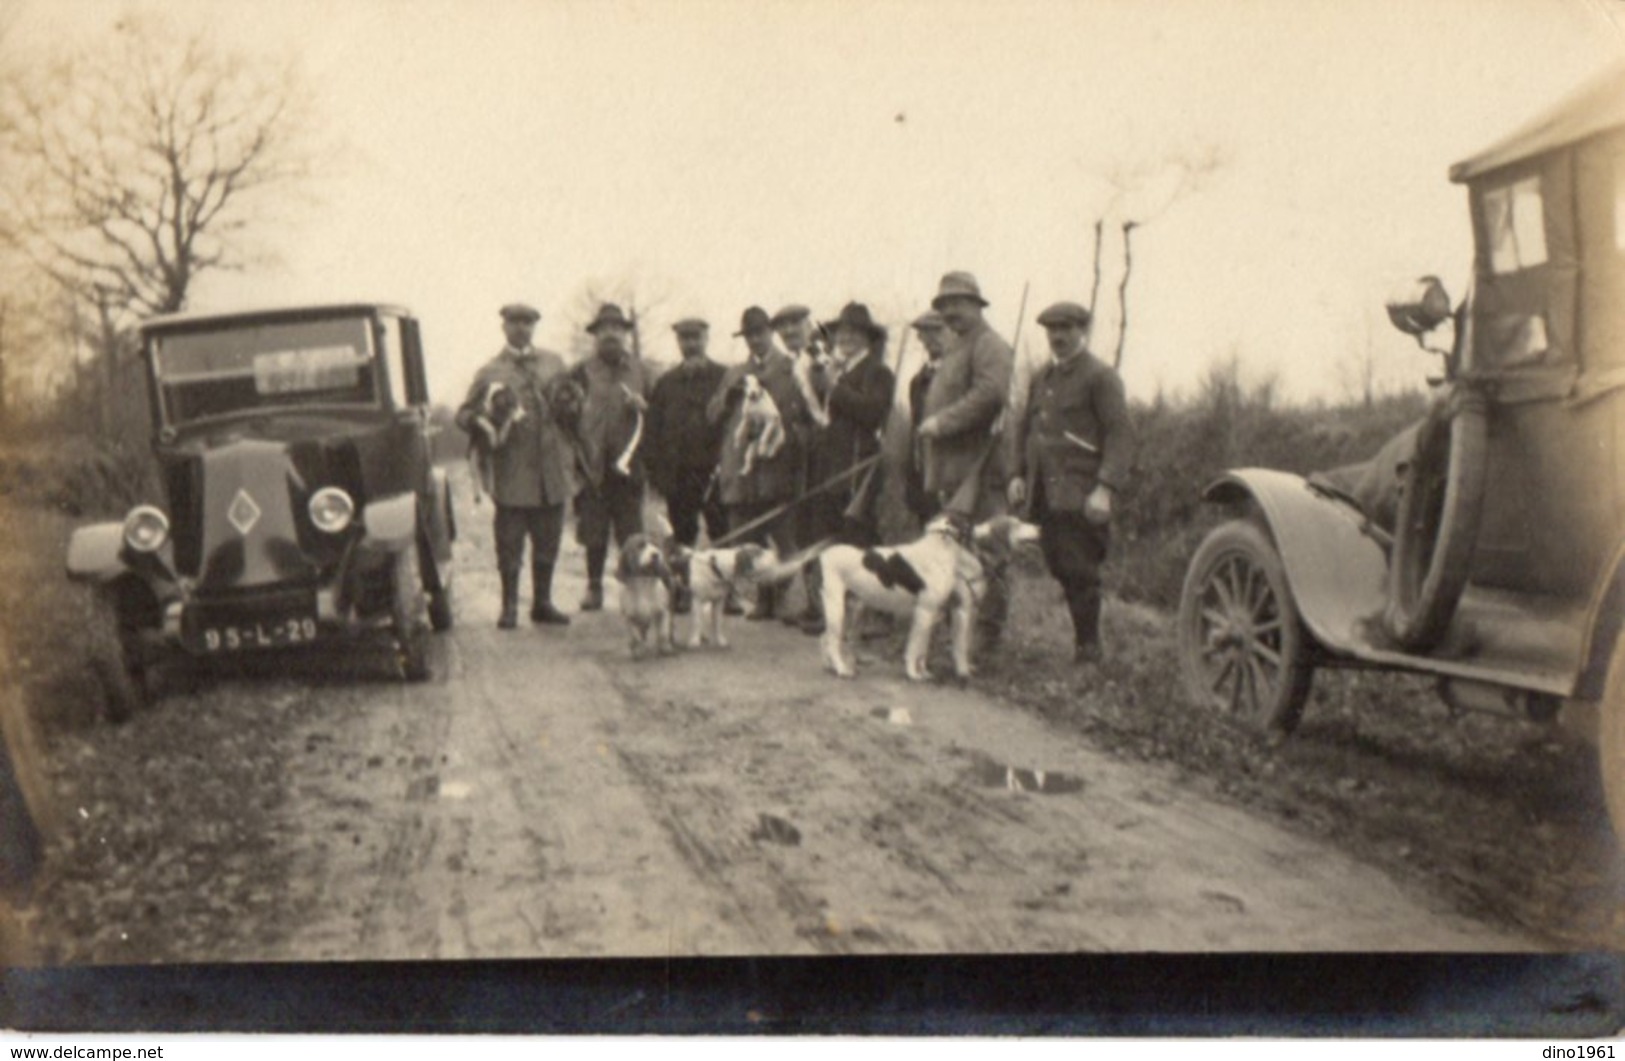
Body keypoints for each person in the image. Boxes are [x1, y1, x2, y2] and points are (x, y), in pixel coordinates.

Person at [1008, 301, 1134, 666]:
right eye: (1052, 330)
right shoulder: (1042, 377)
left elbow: (1120, 435)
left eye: (1067, 329)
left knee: (1081, 570)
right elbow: (1024, 428)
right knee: (1060, 565)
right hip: (1046, 493)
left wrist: (1105, 488)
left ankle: (1089, 651)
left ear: (1083, 331)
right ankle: (1084, 645)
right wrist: (1016, 473)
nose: (1058, 337)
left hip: (1082, 493)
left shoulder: (1100, 377)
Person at [456, 302, 575, 629]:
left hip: (550, 469)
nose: (521, 328)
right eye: (514, 322)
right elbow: (463, 414)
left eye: (527, 322)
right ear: (504, 327)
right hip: (513, 471)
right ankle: (509, 607)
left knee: (548, 539)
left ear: (534, 326)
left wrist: (572, 406)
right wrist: (483, 421)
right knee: (510, 542)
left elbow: (573, 402)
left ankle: (543, 602)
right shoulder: (491, 371)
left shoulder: (554, 363)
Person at [917, 270, 1015, 651]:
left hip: (982, 470)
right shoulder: (956, 347)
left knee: (990, 553)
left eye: (958, 303)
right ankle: (961, 630)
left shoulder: (989, 345)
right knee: (958, 554)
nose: (950, 311)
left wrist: (942, 422)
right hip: (954, 474)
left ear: (976, 305)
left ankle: (986, 636)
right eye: (944, 305)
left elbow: (990, 395)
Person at [799, 301, 896, 634]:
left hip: (859, 469)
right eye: (842, 331)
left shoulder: (878, 372)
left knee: (860, 542)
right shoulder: (831, 369)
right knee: (831, 542)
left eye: (855, 332)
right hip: (829, 470)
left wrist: (834, 389)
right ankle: (832, 615)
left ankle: (875, 613)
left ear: (868, 339)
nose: (847, 337)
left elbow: (872, 412)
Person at [706, 305, 808, 620]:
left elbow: (806, 414)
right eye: (749, 335)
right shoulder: (735, 373)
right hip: (742, 471)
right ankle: (762, 599)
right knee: (747, 539)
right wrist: (727, 398)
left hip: (778, 467)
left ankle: (790, 599)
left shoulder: (791, 367)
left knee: (783, 537)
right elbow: (712, 416)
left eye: (760, 333)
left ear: (771, 333)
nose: (755, 340)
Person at [569, 302, 652, 612]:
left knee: (631, 530)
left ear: (625, 333)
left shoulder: (641, 371)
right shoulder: (580, 371)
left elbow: (657, 414)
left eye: (617, 329)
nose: (611, 334)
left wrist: (645, 408)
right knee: (593, 530)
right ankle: (594, 587)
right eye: (604, 329)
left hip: (630, 465)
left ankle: (636, 588)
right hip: (592, 467)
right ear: (595, 335)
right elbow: (564, 411)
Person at [646, 317, 729, 602]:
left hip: (714, 472)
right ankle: (682, 589)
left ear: (707, 339)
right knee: (681, 536)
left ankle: (725, 592)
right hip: (679, 474)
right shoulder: (666, 383)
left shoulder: (724, 377)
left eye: (696, 338)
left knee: (722, 533)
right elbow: (652, 430)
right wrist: (657, 474)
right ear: (678, 342)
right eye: (685, 339)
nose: (691, 344)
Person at [904, 309, 951, 523]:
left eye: (937, 331)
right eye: (925, 332)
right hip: (925, 471)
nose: (931, 339)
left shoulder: (962, 376)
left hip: (954, 471)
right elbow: (915, 430)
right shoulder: (917, 382)